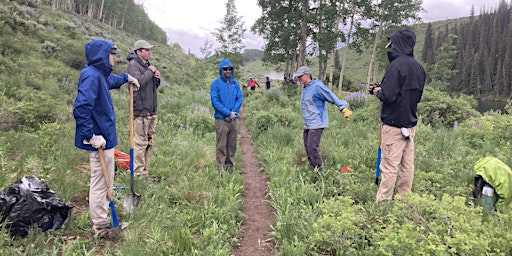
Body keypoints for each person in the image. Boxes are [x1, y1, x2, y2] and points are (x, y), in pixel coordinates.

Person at [73, 39, 139, 239]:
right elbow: (81, 108)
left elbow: (110, 81)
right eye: (112, 54)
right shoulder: (91, 76)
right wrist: (91, 136)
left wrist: (126, 77)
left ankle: (102, 221)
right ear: (101, 55)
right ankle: (100, 226)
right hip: (99, 140)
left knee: (105, 180)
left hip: (106, 138)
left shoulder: (100, 75)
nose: (114, 58)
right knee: (101, 182)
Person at [370, 29, 426, 203]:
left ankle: (383, 203)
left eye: (392, 43)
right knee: (407, 165)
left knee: (388, 167)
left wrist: (378, 91)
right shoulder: (419, 68)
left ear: (397, 44)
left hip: (393, 126)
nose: (390, 46)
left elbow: (389, 96)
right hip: (410, 124)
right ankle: (403, 200)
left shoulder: (396, 66)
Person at [294, 66, 352, 173]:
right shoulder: (305, 88)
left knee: (312, 148)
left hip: (317, 123)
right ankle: (313, 171)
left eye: (300, 76)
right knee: (307, 147)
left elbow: (331, 95)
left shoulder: (317, 86)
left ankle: (320, 173)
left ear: (307, 75)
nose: (299, 79)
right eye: (298, 77)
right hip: (308, 123)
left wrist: (343, 107)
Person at [127, 40, 161, 183]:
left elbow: (151, 86)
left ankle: (145, 173)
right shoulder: (133, 65)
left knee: (148, 143)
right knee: (140, 144)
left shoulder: (147, 65)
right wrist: (150, 72)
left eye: (149, 50)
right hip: (141, 111)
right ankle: (139, 175)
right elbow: (138, 82)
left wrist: (156, 79)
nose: (149, 52)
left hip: (151, 110)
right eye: (146, 50)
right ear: (138, 51)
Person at [210, 59, 243, 172]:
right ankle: (220, 169)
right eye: (225, 69)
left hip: (234, 120)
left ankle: (230, 168)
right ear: (221, 70)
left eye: (230, 69)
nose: (228, 71)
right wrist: (228, 113)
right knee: (221, 145)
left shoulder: (235, 83)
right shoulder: (216, 84)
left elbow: (239, 98)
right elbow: (215, 102)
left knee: (232, 145)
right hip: (221, 120)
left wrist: (233, 112)